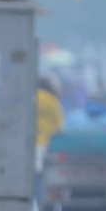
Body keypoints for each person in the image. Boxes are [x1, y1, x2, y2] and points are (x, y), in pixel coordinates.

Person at [35, 75, 65, 203]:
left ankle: (35, 199)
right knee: (43, 176)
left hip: (31, 144)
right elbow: (60, 125)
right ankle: (44, 202)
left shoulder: (32, 98)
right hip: (47, 145)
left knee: (34, 175)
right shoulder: (53, 102)